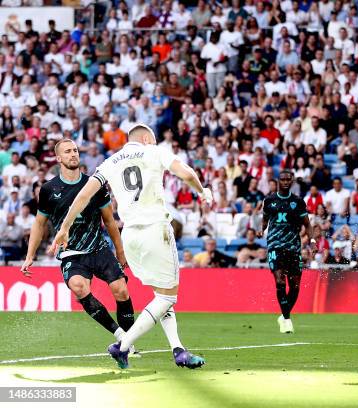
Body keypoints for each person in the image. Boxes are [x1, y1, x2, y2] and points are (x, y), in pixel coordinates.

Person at [50, 124, 213, 370]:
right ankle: (123, 345)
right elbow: (186, 173)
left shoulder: (111, 161)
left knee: (162, 295)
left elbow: (82, 196)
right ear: (147, 139)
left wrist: (64, 227)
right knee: (167, 296)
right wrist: (203, 191)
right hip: (155, 229)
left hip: (131, 236)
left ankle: (178, 349)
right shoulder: (154, 152)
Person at [20, 139, 137, 353]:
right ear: (58, 158)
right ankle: (121, 336)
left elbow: (110, 221)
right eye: (67, 151)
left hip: (98, 248)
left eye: (75, 150)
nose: (73, 154)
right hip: (71, 253)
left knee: (120, 290)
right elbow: (39, 223)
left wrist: (120, 251)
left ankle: (130, 342)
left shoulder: (95, 184)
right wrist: (30, 255)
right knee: (78, 287)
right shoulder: (48, 189)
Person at [258, 170, 313, 334]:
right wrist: (262, 229)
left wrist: (313, 240)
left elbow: (307, 224)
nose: (286, 182)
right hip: (275, 245)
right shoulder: (269, 200)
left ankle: (283, 314)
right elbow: (265, 218)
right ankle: (287, 320)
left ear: (292, 181)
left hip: (293, 247)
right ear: (278, 181)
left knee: (295, 286)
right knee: (280, 282)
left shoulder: (298, 202)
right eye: (283, 179)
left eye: (289, 179)